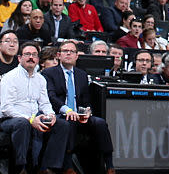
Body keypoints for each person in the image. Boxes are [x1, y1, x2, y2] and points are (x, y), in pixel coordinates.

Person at [0, 39, 72, 173]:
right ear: (20, 58)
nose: (31, 58)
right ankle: (21, 168)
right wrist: (30, 119)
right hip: (10, 120)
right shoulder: (9, 78)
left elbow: (44, 103)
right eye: (27, 54)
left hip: (35, 117)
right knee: (22, 123)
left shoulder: (41, 79)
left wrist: (50, 115)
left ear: (38, 59)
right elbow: (6, 108)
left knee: (62, 124)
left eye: (34, 55)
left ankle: (47, 168)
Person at [44, 40, 115, 174]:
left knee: (100, 123)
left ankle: (109, 164)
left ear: (77, 56)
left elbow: (85, 100)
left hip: (79, 115)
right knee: (69, 121)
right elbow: (51, 97)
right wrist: (68, 110)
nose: (68, 54)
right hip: (60, 114)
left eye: (72, 51)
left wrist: (87, 111)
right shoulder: (49, 73)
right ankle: (68, 165)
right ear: (59, 55)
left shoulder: (81, 74)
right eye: (65, 51)